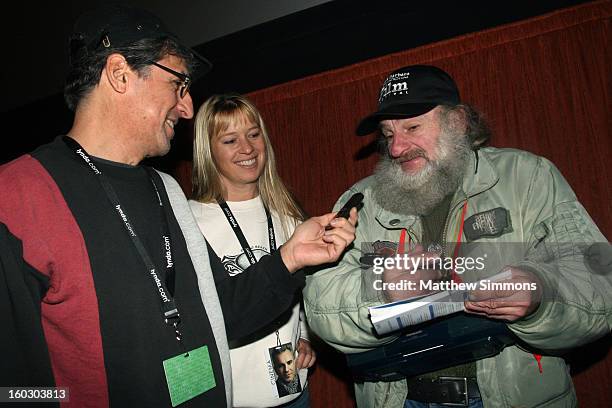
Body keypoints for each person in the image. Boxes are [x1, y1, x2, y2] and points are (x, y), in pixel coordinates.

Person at [0, 5, 357, 407]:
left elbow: (223, 312)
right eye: (178, 84)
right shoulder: (18, 195)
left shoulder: (166, 190)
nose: (187, 108)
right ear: (120, 74)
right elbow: (13, 388)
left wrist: (290, 258)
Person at [304, 65, 611, 407]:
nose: (396, 148)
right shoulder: (361, 202)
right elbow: (319, 308)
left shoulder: (528, 178)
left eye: (412, 127)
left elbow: (599, 285)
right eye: (388, 134)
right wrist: (379, 291)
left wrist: (540, 291)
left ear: (458, 122)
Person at [189, 94, 315, 407]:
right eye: (230, 140)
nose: (247, 148)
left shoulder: (289, 215)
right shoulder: (189, 221)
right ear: (209, 150)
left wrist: (304, 337)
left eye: (254, 134)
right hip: (233, 399)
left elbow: (304, 295)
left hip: (295, 393)